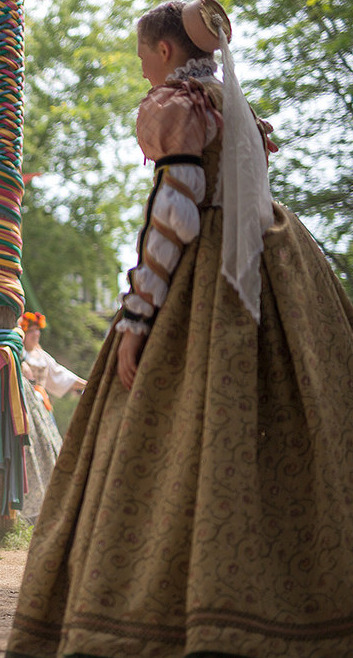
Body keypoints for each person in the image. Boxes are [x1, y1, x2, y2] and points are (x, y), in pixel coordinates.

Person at [6, 1, 353, 657]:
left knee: (158, 442)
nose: (141, 68)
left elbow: (175, 216)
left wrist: (138, 319)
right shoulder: (234, 107)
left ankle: (155, 612)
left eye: (142, 55)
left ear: (163, 51)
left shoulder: (175, 105)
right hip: (278, 265)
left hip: (205, 280)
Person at [18, 311, 87, 524]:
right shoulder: (18, 354)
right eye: (31, 331)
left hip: (42, 408)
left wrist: (87, 385)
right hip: (22, 407)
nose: (36, 335)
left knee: (51, 449)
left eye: (38, 331)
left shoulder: (41, 356)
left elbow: (60, 374)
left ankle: (51, 504)